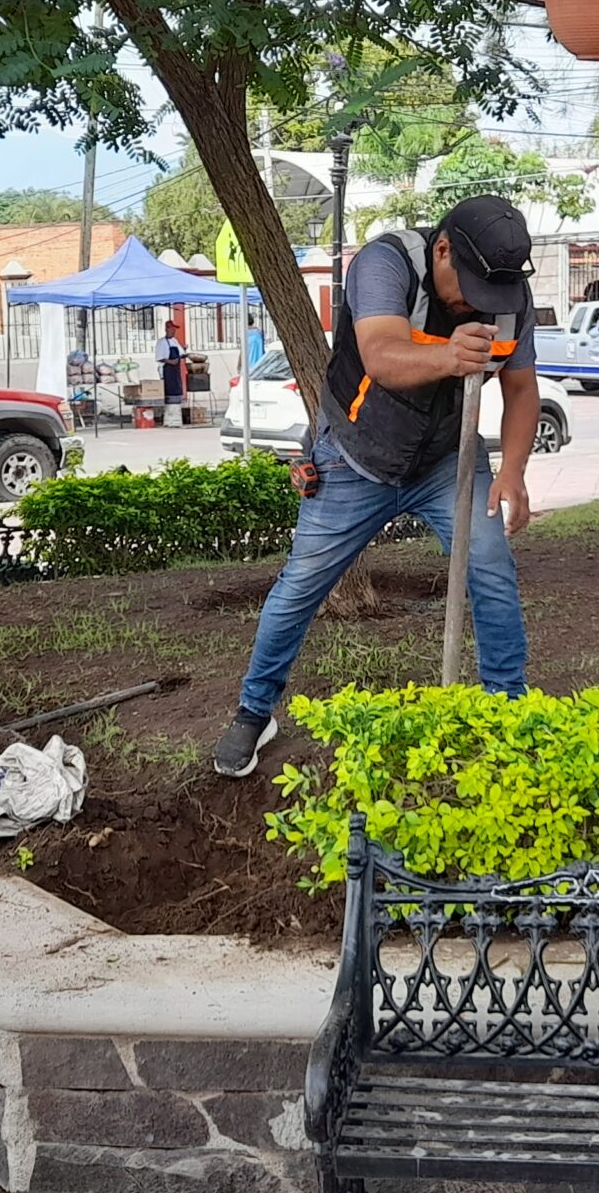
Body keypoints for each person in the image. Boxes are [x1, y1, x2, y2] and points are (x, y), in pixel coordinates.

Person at [213, 195, 541, 778]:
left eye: (491, 295)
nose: (478, 305)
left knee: (491, 568)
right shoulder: (386, 264)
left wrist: (513, 469)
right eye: (468, 287)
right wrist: (449, 355)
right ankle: (253, 710)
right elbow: (382, 353)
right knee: (300, 585)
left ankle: (507, 710)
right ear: (443, 249)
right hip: (351, 459)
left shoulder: (506, 293)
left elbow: (520, 388)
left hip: (448, 462)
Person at [156, 319, 188, 405]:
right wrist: (170, 361)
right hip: (167, 372)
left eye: (175, 329)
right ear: (166, 329)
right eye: (172, 329)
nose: (174, 331)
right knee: (169, 393)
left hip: (176, 372)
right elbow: (159, 358)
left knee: (177, 392)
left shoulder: (174, 341)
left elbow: (182, 354)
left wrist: (184, 350)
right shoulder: (161, 342)